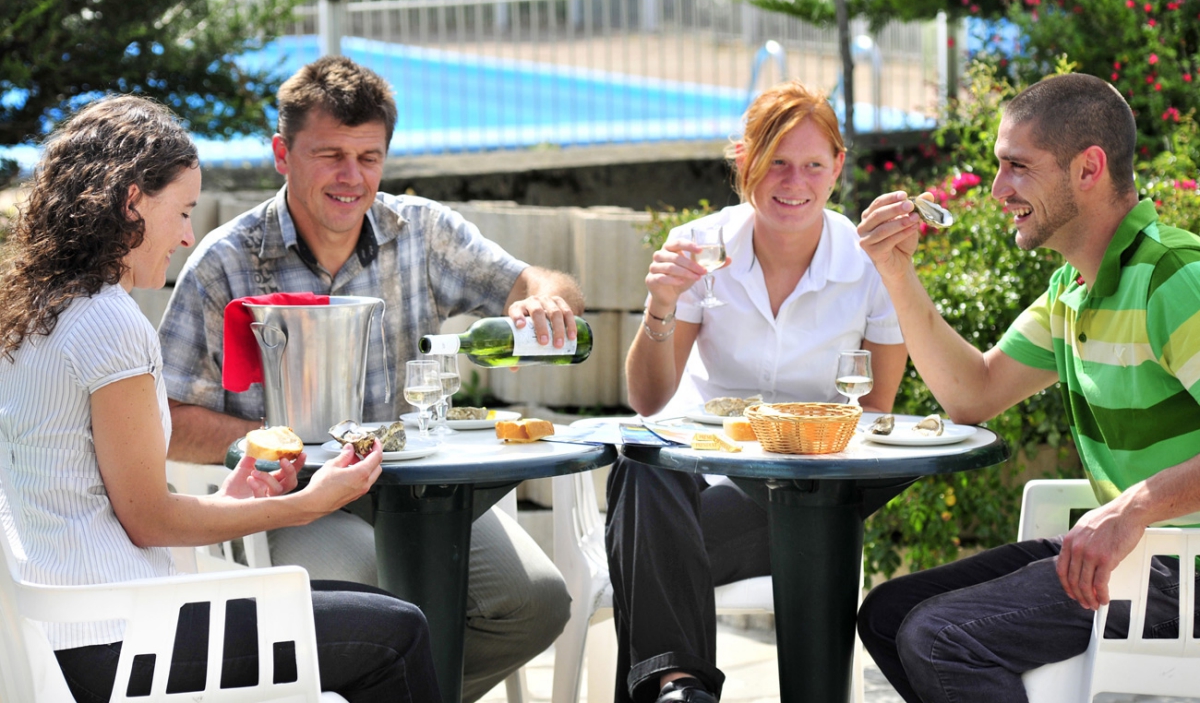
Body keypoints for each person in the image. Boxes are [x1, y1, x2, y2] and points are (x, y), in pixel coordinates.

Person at [157, 55, 577, 702]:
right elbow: (170, 419)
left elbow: (541, 282)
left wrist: (544, 300)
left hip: (416, 486)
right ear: (282, 153)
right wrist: (279, 442)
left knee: (537, 602)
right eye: (330, 155)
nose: (351, 177)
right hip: (289, 498)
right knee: (374, 594)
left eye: (369, 157)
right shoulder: (225, 261)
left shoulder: (423, 232)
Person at [0, 95, 441, 703]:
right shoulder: (109, 323)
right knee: (400, 632)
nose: (186, 235)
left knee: (381, 612)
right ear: (131, 201)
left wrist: (229, 497)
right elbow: (149, 520)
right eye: (181, 212)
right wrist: (307, 504)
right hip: (124, 646)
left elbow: (88, 493)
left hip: (75, 632)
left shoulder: (34, 313)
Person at [854, 72, 1200, 703]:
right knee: (889, 614)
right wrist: (896, 273)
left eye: (1017, 166)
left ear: (1088, 168)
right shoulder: (1073, 290)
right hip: (1132, 559)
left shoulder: (1172, 278)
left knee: (940, 637)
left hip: (1184, 574)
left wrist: (1134, 507)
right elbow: (973, 393)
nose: (996, 189)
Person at [608, 80, 908, 703]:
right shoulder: (699, 247)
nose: (793, 182)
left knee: (643, 549)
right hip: (697, 480)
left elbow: (878, 411)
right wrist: (661, 305)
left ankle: (675, 687)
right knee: (643, 466)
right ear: (744, 160)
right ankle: (680, 687)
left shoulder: (871, 265)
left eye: (812, 165)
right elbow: (648, 401)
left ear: (837, 170)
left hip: (809, 488)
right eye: (776, 162)